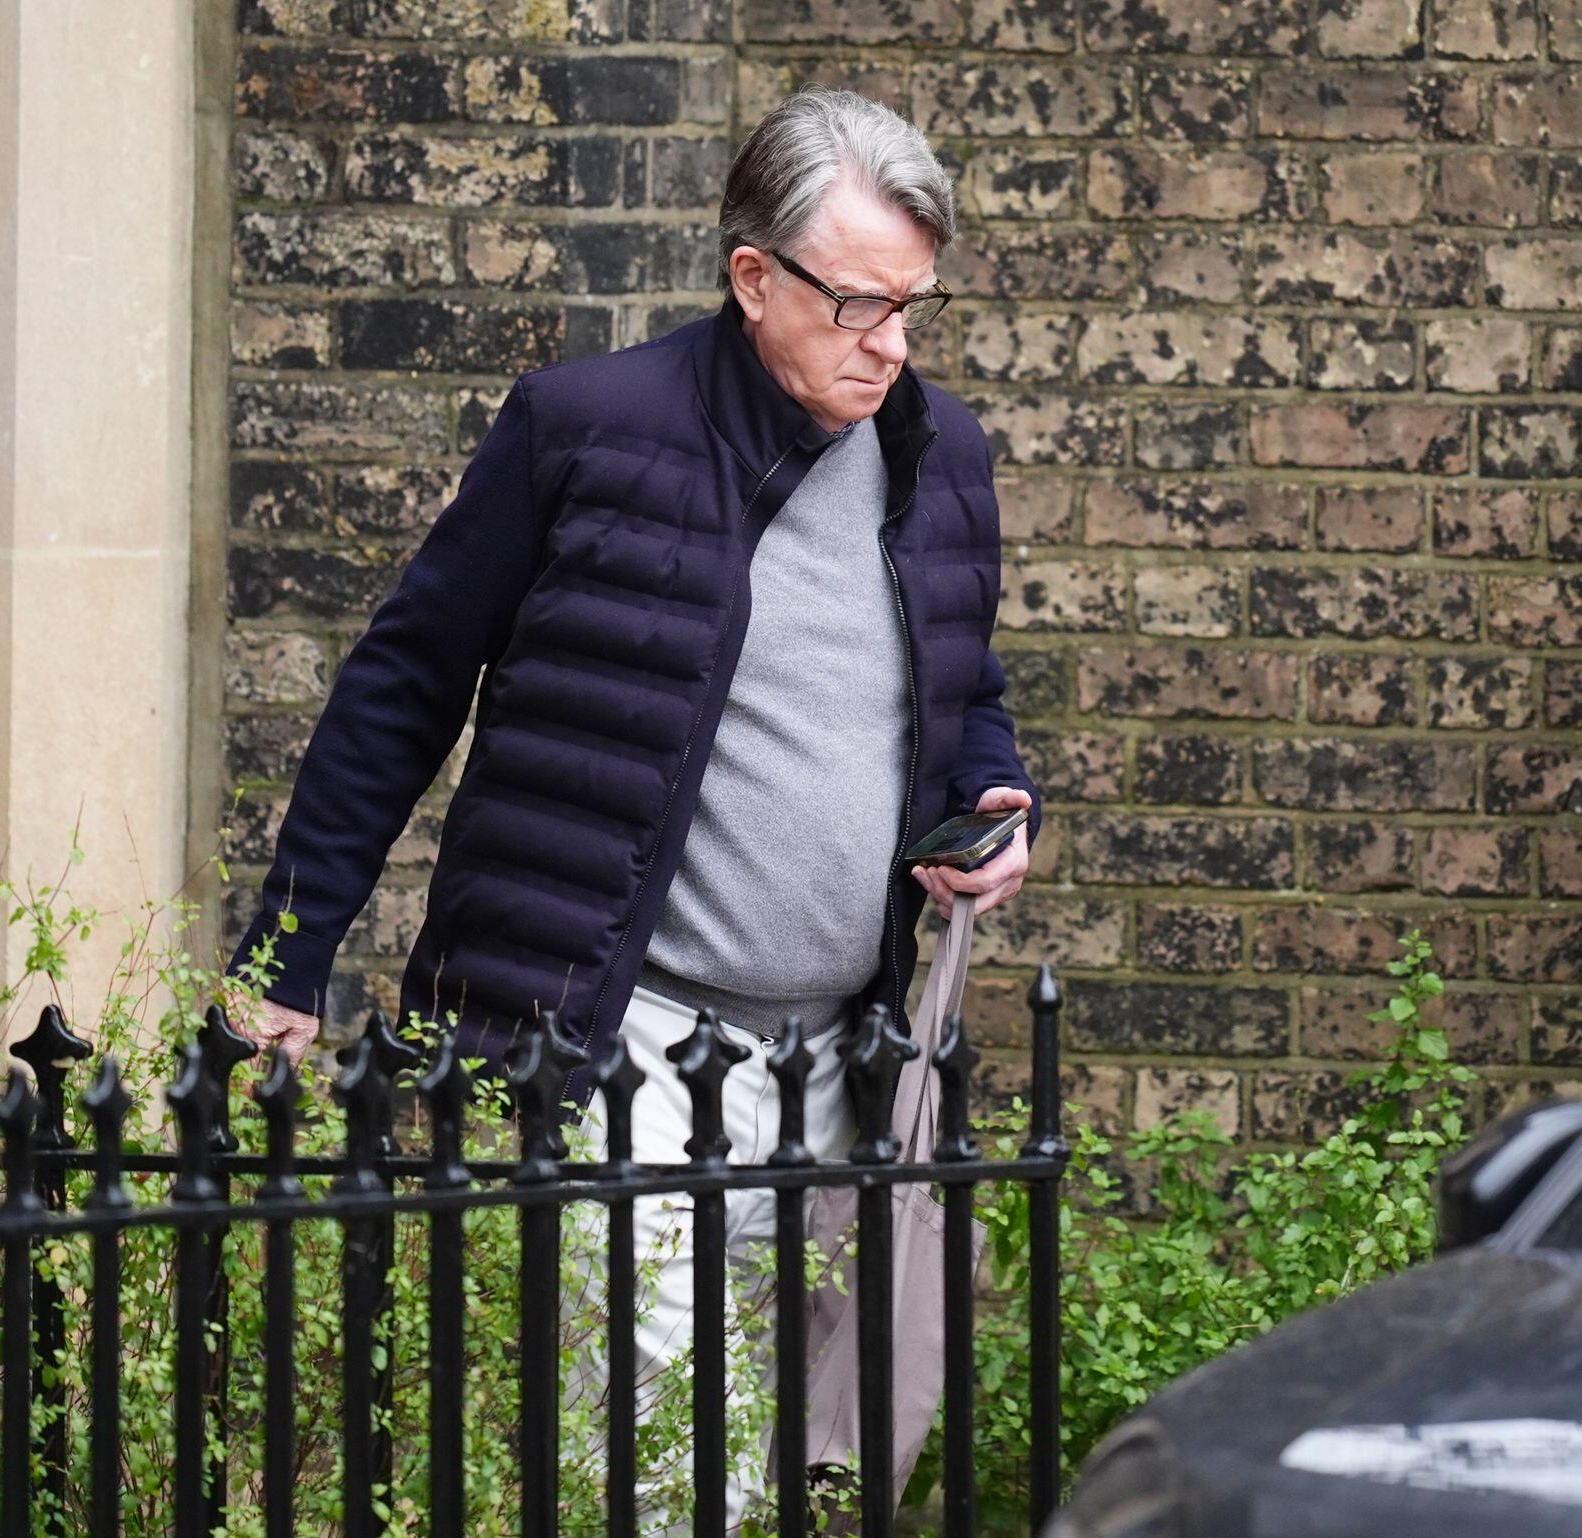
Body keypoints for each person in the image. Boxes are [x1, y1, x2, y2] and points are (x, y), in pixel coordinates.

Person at [221, 83, 1041, 1529]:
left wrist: (993, 796)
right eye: (861, 304)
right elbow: (404, 684)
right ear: (753, 277)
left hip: (839, 1053)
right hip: (621, 1037)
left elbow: (960, 682)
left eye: (915, 305)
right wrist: (288, 954)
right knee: (662, 1463)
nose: (893, 345)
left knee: (792, 1459)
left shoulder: (942, 454)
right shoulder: (585, 429)